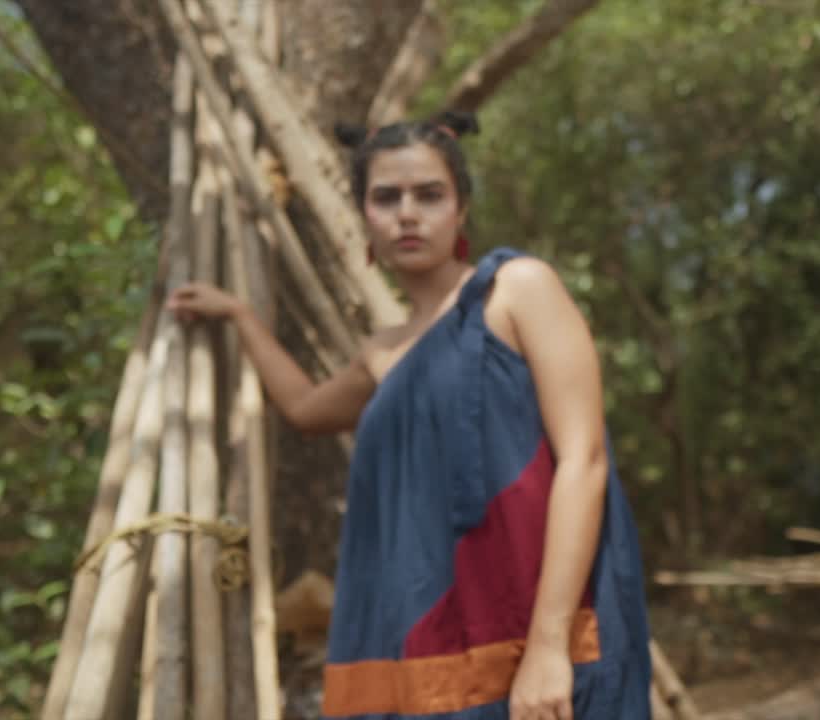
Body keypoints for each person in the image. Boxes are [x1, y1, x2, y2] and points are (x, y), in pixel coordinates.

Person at [167, 110, 651, 719]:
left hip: (542, 631)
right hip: (431, 648)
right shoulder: (382, 353)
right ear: (364, 218)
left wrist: (549, 646)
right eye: (386, 197)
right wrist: (239, 315)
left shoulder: (518, 291)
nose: (407, 213)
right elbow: (304, 409)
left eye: (429, 194)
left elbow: (584, 460)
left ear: (461, 209)